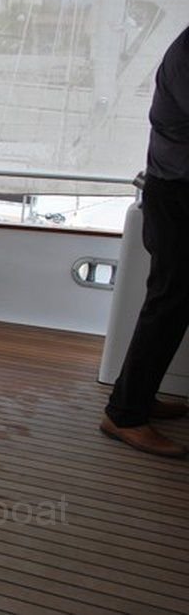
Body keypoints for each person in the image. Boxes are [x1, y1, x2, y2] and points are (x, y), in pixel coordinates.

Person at [101, 25, 189, 458]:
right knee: (170, 302)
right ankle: (125, 414)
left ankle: (137, 397)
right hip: (177, 193)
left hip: (175, 189)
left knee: (172, 303)